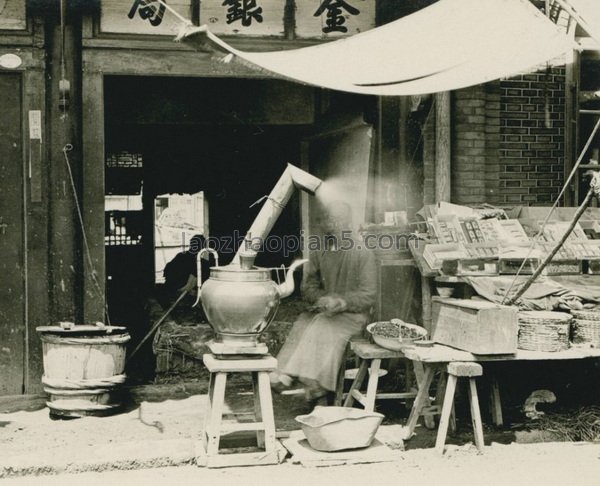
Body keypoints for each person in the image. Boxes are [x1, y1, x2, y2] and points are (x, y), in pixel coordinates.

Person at [270, 201, 377, 404]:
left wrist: (341, 301)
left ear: (348, 223)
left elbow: (369, 294)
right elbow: (308, 286)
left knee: (322, 326)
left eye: (338, 221)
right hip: (325, 312)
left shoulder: (363, 252)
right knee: (303, 322)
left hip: (354, 316)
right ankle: (291, 377)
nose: (333, 225)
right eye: (329, 220)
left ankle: (315, 388)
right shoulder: (320, 251)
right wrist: (321, 299)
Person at [161, 234, 212, 306]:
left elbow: (166, 272)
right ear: (203, 248)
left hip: (172, 287)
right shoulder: (202, 263)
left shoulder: (180, 255)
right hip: (182, 289)